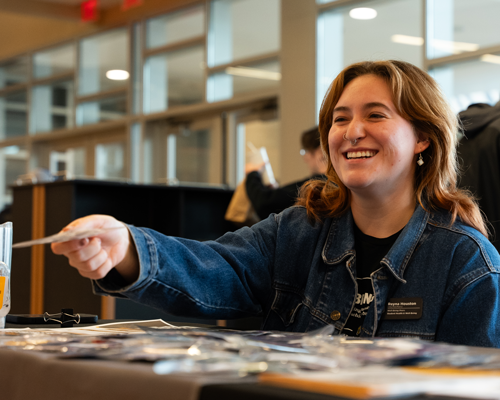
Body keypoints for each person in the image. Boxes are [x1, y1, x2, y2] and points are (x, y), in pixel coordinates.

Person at [52, 60, 500, 348]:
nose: (352, 131)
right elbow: (217, 267)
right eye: (339, 119)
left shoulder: (467, 263)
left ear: (423, 137)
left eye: (375, 115)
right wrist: (128, 249)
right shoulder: (298, 232)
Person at [244, 126, 327, 220]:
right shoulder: (338, 185)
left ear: (321, 152)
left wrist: (252, 175)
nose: (305, 159)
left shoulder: (314, 187)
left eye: (306, 151)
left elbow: (264, 204)